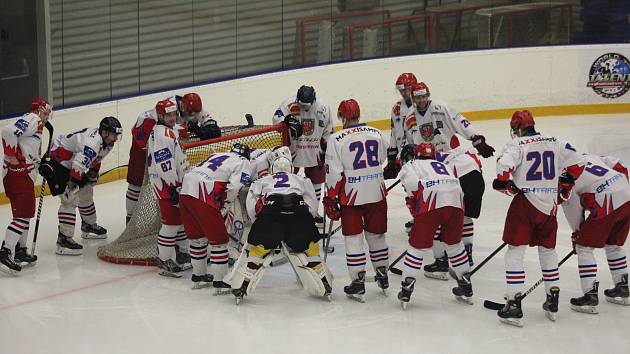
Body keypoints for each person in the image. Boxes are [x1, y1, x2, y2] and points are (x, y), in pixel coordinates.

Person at [493, 110, 584, 327]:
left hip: (525, 204)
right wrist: (567, 182)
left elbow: (503, 168)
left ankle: (514, 304)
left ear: (517, 128)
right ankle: (553, 298)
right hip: (549, 205)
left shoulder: (516, 145)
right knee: (548, 251)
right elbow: (579, 163)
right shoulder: (555, 141)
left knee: (515, 252)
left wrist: (505, 183)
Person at [230, 153, 333, 304]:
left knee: (259, 249)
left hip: (271, 214)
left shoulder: (262, 180)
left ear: (272, 169)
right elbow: (312, 204)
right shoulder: (302, 179)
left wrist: (259, 223)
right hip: (298, 213)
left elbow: (251, 205)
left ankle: (242, 284)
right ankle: (325, 282)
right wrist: (306, 221)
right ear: (291, 169)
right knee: (310, 248)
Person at [402, 81, 495, 233]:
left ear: (428, 95)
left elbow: (461, 122)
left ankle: (455, 223)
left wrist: (475, 137)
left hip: (452, 155)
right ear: (413, 98)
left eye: (424, 96)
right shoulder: (409, 118)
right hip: (429, 161)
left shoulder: (441, 108)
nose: (421, 100)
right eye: (418, 98)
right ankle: (423, 217)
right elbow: (409, 142)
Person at [323, 99, 389, 302]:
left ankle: (358, 282)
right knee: (376, 236)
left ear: (342, 117)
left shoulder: (336, 138)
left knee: (353, 239)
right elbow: (384, 158)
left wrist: (332, 198)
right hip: (376, 192)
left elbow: (333, 172)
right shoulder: (377, 133)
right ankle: (382, 274)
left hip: (351, 196)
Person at [397, 143, 473, 309]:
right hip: (457, 202)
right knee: (454, 245)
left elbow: (411, 184)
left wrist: (413, 201)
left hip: (432, 201)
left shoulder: (412, 164)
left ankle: (406, 288)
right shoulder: (444, 165)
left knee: (417, 248)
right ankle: (465, 284)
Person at [125, 93, 219, 223]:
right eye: (189, 112)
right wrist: (191, 128)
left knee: (170, 180)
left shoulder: (191, 105)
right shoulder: (167, 109)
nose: (192, 116)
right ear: (182, 106)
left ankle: (166, 214)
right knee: (136, 183)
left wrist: (210, 128)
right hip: (142, 141)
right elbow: (163, 130)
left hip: (166, 144)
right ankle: (129, 218)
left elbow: (208, 123)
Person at [179, 143, 252, 292]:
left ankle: (198, 276)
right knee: (219, 241)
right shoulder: (243, 161)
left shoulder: (216, 154)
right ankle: (220, 281)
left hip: (186, 189)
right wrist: (225, 204)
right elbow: (234, 187)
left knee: (198, 238)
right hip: (204, 193)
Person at [44, 116, 122, 255]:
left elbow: (96, 158)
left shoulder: (107, 142)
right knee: (69, 199)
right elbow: (79, 165)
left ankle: (88, 226)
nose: (116, 137)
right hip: (57, 161)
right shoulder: (93, 143)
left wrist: (93, 173)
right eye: (114, 134)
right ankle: (64, 239)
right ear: (104, 132)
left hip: (72, 162)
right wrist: (72, 184)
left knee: (86, 191)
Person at [562, 153, 630, 313]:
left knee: (584, 247)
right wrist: (623, 187)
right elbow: (619, 164)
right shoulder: (587, 156)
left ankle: (589, 296)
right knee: (613, 244)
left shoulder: (564, 175)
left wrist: (577, 233)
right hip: (627, 195)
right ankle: (622, 287)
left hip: (606, 200)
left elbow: (571, 207)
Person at [422, 131, 485, 279]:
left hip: (459, 181)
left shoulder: (436, 158)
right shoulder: (466, 151)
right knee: (467, 216)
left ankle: (440, 261)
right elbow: (479, 167)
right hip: (477, 180)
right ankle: (467, 254)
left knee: (437, 220)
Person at [0, 98, 52, 273]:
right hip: (18, 174)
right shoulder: (33, 118)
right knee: (22, 215)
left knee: (26, 213)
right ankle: (5, 252)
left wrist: (39, 163)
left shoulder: (34, 123)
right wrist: (14, 158)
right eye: (45, 113)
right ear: (38, 110)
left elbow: (27, 149)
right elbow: (7, 131)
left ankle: (20, 251)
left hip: (22, 174)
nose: (46, 117)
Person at [272, 85, 333, 216]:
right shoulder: (288, 104)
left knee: (316, 182)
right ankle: (288, 211)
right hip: (292, 150)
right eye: (301, 104)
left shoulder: (323, 107)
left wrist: (327, 148)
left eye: (306, 106)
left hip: (315, 151)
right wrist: (286, 120)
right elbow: (275, 119)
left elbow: (328, 130)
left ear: (314, 100)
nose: (303, 108)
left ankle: (313, 212)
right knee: (287, 181)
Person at [147, 99, 191, 275]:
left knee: (180, 220)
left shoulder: (164, 130)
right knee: (171, 223)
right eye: (168, 115)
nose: (172, 118)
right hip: (167, 185)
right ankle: (164, 260)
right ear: (160, 116)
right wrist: (173, 186)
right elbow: (164, 163)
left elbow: (176, 131)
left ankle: (181, 254)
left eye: (174, 114)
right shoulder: (163, 135)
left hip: (172, 183)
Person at [383, 72, 417, 180]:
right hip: (404, 156)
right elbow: (394, 133)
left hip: (420, 154)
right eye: (401, 90)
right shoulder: (396, 108)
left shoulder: (422, 106)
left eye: (406, 89)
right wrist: (392, 158)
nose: (404, 93)